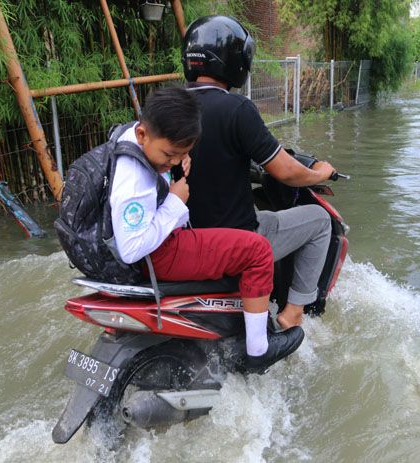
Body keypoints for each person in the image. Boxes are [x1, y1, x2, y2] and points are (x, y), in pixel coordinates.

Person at [108, 86, 304, 373]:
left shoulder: (131, 137)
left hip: (158, 247)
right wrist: (174, 202)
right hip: (159, 253)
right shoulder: (133, 179)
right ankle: (259, 350)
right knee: (257, 249)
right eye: (170, 154)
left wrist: (172, 167)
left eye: (183, 154)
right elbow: (131, 248)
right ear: (142, 135)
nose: (174, 161)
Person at [181, 15, 337, 331]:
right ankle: (293, 311)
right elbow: (287, 172)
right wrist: (320, 173)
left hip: (188, 242)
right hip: (237, 241)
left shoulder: (167, 106)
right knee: (322, 223)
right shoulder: (238, 109)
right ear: (236, 61)